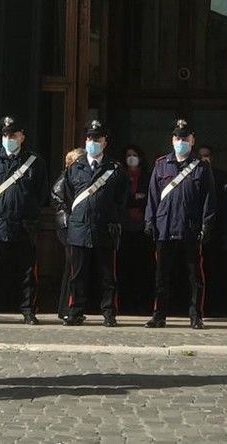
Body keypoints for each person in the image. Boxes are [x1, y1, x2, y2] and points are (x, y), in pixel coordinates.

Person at [144, 119, 216, 329]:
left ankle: (196, 316)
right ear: (172, 140)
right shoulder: (161, 165)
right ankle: (159, 315)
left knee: (194, 276)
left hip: (190, 228)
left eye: (184, 138)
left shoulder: (201, 167)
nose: (180, 141)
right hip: (164, 228)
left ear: (192, 140)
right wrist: (149, 221)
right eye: (177, 138)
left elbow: (208, 200)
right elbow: (153, 197)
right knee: (161, 276)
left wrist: (207, 225)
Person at [0, 115, 49, 325]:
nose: (9, 138)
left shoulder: (35, 162)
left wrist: (29, 209)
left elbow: (42, 191)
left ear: (22, 136)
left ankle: (28, 310)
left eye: (13, 134)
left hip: (25, 223)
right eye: (6, 134)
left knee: (27, 270)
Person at [59, 120, 129, 327]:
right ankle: (76, 311)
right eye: (90, 138)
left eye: (97, 139)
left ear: (105, 142)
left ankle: (108, 312)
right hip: (79, 227)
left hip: (103, 227)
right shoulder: (75, 167)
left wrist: (112, 218)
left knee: (107, 275)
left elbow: (122, 198)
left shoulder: (114, 169)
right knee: (77, 274)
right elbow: (67, 194)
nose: (93, 142)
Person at [197, 144, 227, 316]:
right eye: (201, 156)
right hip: (197, 231)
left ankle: (220, 307)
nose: (205, 158)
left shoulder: (221, 176)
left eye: (207, 155)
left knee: (219, 272)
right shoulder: (192, 175)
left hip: (218, 232)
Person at [51, 147, 85, 320]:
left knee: (73, 267)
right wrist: (70, 212)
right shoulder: (67, 176)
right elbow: (56, 195)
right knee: (72, 267)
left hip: (74, 225)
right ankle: (66, 307)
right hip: (67, 225)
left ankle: (68, 306)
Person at [118, 145, 152, 315]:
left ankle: (142, 304)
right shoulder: (121, 175)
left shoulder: (147, 176)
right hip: (124, 227)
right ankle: (125, 304)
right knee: (124, 268)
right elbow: (120, 199)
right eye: (128, 155)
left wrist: (138, 199)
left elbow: (149, 198)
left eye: (134, 155)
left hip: (142, 228)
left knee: (142, 268)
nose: (131, 158)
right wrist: (134, 198)